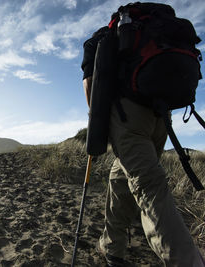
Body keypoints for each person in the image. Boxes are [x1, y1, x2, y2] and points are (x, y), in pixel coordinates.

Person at [81, 8, 205, 267]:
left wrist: (98, 123)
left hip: (128, 118)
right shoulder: (159, 33)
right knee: (121, 176)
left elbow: (90, 83)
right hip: (162, 118)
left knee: (149, 187)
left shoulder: (102, 38)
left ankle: (187, 261)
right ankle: (112, 246)